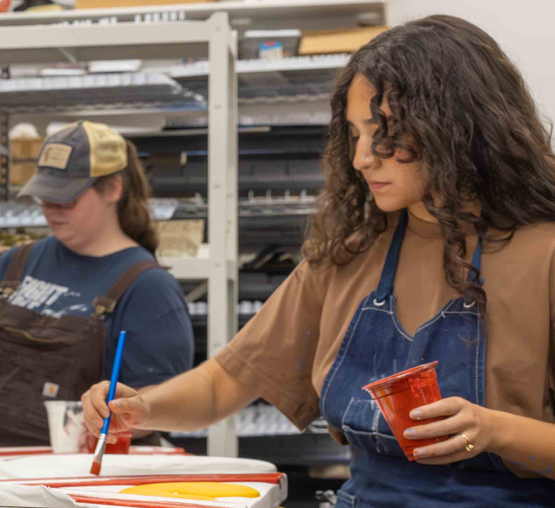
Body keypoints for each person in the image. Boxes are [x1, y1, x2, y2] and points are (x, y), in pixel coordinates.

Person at [82, 15, 555, 506]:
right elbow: (224, 382)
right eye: (354, 134)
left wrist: (496, 430)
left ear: (455, 128)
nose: (362, 158)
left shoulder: (543, 251)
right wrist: (141, 408)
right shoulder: (351, 252)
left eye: (384, 133)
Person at [0, 121, 194, 448]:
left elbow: (164, 406)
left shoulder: (147, 288)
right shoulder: (15, 264)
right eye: (45, 197)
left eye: (66, 199)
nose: (52, 210)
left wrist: (115, 412)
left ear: (112, 189)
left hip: (71, 469)